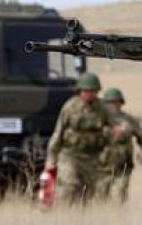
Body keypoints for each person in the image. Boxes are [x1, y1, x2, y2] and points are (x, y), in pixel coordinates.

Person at [45, 72, 114, 204]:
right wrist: (51, 159)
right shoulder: (70, 107)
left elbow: (114, 127)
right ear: (80, 91)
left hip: (93, 157)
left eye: (93, 91)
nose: (90, 94)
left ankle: (82, 215)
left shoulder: (103, 108)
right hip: (70, 155)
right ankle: (64, 213)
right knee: (68, 187)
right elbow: (58, 133)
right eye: (87, 91)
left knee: (89, 193)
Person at [97, 88, 142, 203]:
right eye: (110, 102)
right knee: (99, 199)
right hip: (101, 167)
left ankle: (118, 214)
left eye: (117, 102)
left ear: (121, 102)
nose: (114, 105)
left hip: (123, 167)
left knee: (119, 198)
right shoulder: (98, 119)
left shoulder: (128, 120)